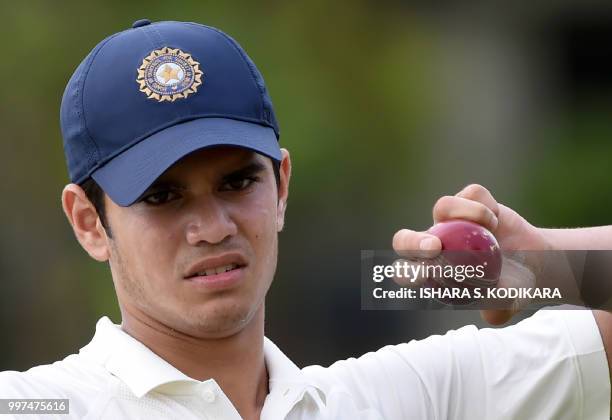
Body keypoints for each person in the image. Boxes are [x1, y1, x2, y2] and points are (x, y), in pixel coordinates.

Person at [0, 19, 611, 420]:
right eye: (163, 197)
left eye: (238, 182)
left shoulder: (395, 398)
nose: (212, 226)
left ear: (282, 185)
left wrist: (544, 262)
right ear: (88, 221)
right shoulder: (41, 406)